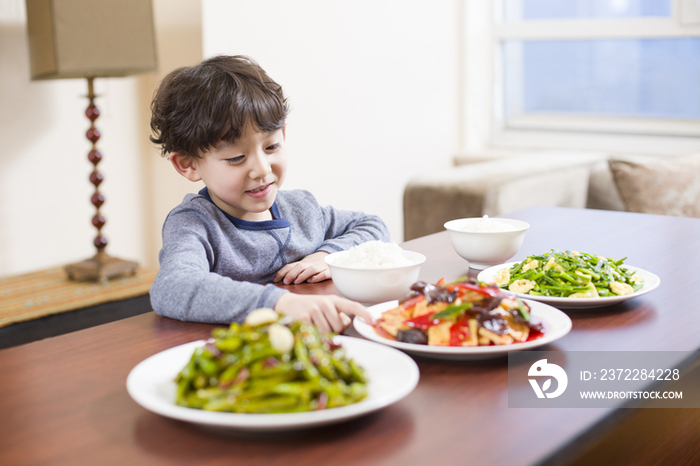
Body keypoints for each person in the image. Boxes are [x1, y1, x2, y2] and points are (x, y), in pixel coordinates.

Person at [148, 55, 389, 333]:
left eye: (271, 146)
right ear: (188, 165)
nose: (262, 169)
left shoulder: (301, 208)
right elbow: (172, 287)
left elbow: (373, 226)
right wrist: (279, 303)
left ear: (283, 134)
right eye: (237, 157)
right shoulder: (194, 224)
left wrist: (329, 255)